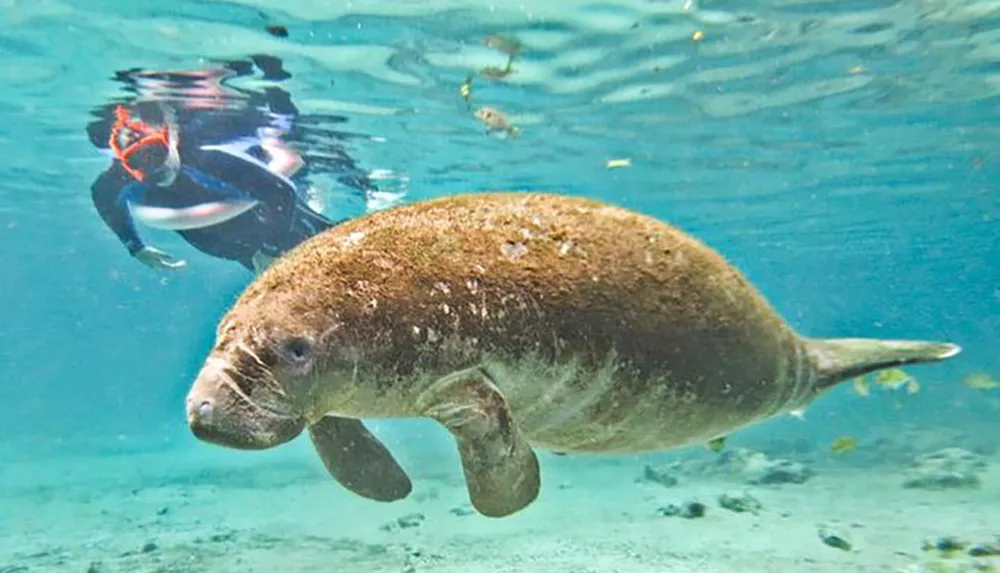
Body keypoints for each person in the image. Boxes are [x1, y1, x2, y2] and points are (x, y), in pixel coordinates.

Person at [86, 55, 383, 273]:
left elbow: (280, 193)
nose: (153, 166)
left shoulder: (210, 159)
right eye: (137, 159)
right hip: (243, 252)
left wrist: (268, 250)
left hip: (283, 231)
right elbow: (104, 200)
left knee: (340, 253)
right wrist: (134, 246)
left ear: (171, 137)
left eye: (155, 151)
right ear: (123, 161)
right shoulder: (117, 179)